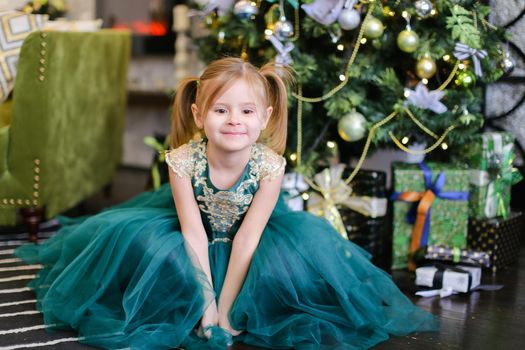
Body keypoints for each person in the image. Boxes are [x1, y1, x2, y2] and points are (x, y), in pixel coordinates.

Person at [16, 57, 438, 350]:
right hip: (194, 234)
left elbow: (248, 239)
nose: (234, 120)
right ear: (199, 116)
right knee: (146, 252)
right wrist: (206, 306)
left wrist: (229, 309)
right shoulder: (182, 160)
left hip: (251, 242)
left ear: (266, 117)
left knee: (284, 275)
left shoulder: (269, 166)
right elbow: (192, 233)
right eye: (221, 110)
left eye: (246, 111)